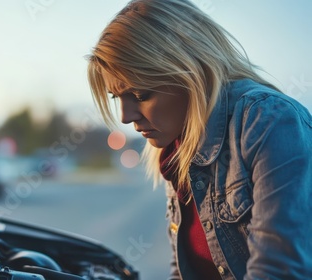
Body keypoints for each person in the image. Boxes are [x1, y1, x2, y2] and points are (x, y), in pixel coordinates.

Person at [86, 0, 312, 279]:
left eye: (140, 95)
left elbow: (279, 271)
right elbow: (182, 272)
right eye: (116, 97)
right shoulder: (176, 147)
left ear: (190, 71)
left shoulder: (267, 120)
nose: (125, 116)